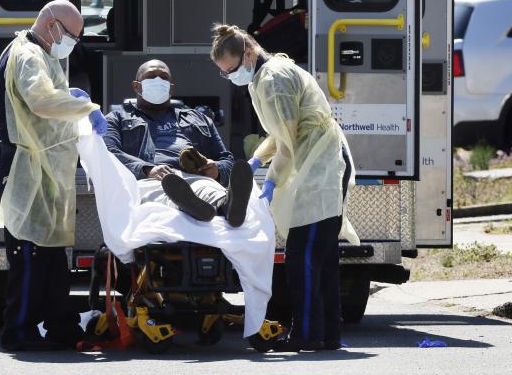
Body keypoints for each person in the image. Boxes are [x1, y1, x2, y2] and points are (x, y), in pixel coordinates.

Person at [210, 23, 359, 353]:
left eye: (232, 70)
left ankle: (307, 334)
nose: (231, 76)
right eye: (224, 73)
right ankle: (327, 335)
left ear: (248, 53)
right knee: (322, 258)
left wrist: (272, 179)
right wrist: (257, 160)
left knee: (302, 258)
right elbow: (281, 134)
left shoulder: (272, 81)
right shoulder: (265, 75)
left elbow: (288, 143)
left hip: (319, 166)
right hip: (319, 162)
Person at [0, 0, 108, 351]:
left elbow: (47, 99)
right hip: (25, 166)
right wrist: (85, 107)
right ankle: (19, 331)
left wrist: (68, 96)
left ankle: (61, 325)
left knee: (53, 254)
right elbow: (41, 102)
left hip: (40, 167)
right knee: (29, 255)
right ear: (52, 25)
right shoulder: (29, 55)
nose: (71, 43)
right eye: (71, 35)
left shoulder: (39, 54)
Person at [103, 59, 252, 226]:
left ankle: (226, 206)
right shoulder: (117, 118)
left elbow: (227, 160)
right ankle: (188, 206)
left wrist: (216, 170)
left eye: (164, 77)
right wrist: (147, 169)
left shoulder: (198, 119)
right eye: (151, 77)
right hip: (152, 180)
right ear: (136, 86)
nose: (158, 81)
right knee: (161, 194)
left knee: (210, 189)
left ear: (171, 88)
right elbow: (108, 152)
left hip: (195, 176)